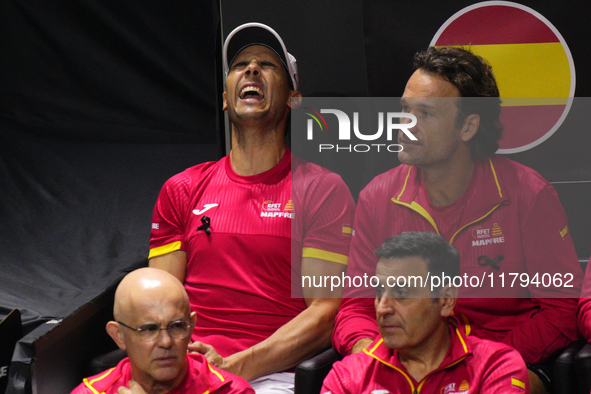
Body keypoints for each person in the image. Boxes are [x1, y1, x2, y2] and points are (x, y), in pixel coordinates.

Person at [332, 46, 582, 394]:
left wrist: (477, 360)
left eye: (426, 113)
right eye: (405, 109)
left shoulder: (529, 194)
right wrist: (372, 355)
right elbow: (355, 307)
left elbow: (561, 311)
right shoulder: (377, 196)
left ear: (468, 126)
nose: (405, 123)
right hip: (402, 363)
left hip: (505, 362)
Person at [148, 23, 355, 393]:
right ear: (226, 98)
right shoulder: (180, 189)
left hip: (271, 377)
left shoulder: (322, 190)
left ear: (293, 98)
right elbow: (157, 303)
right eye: (240, 64)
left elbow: (325, 314)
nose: (252, 70)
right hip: (183, 369)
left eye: (267, 65)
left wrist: (231, 366)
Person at [322, 232, 529, 394]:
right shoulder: (347, 376)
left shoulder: (495, 367)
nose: (383, 308)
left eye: (401, 293)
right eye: (379, 292)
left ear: (446, 300)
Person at [71, 267, 253, 394]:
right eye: (149, 329)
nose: (166, 342)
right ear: (119, 336)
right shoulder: (92, 393)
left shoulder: (231, 391)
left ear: (191, 327)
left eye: (176, 326)